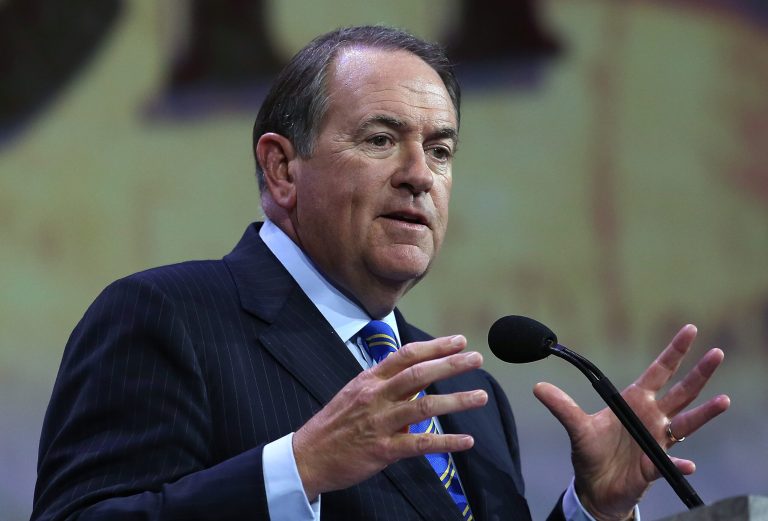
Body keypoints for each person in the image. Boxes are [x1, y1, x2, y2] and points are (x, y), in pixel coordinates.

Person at [32, 25, 730, 521]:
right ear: (282, 169)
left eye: (441, 150)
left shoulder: (467, 393)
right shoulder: (167, 316)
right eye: (380, 139)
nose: (419, 175)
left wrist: (594, 508)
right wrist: (300, 468)